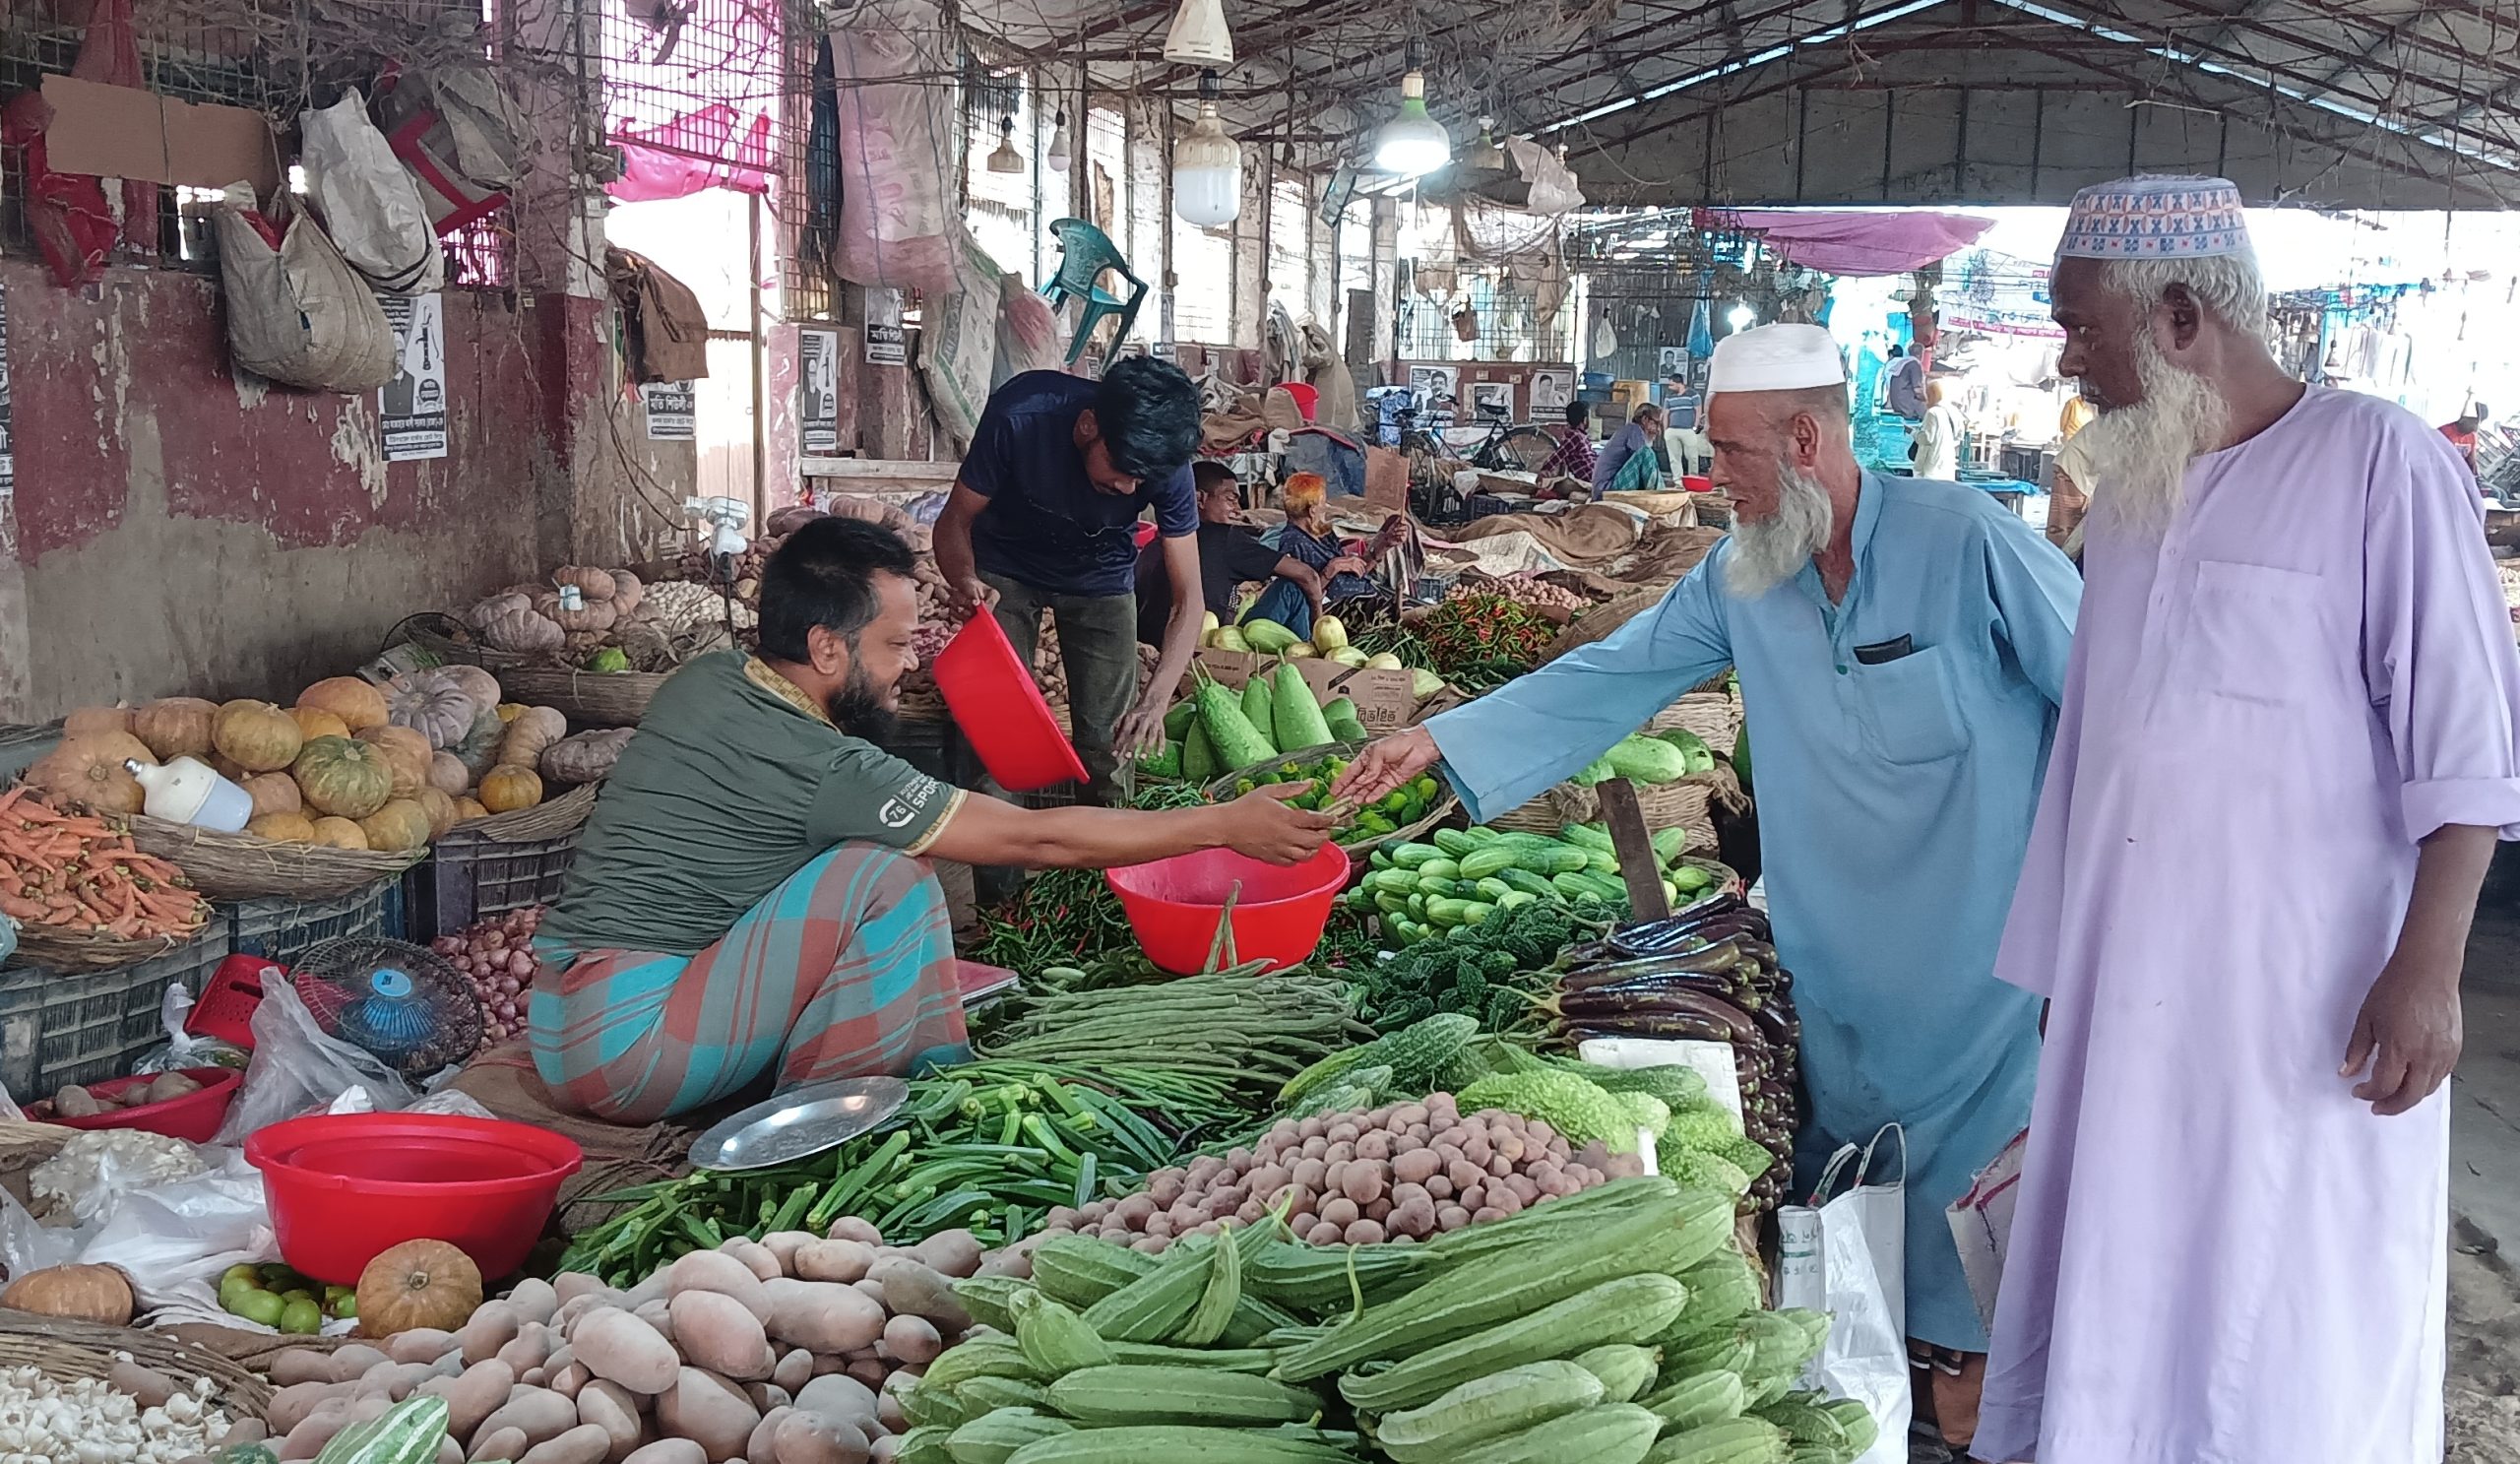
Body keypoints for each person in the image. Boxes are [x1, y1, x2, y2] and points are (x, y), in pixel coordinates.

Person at [1333, 323, 2082, 1454]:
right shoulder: (1745, 573)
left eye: (1729, 451)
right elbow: (1614, 674)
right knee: (1853, 1249)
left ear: (1804, 435)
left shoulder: (1969, 540)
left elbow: (2118, 709)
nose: (1709, 474)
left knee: (1985, 1285)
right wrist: (1440, 737)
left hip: (1987, 991)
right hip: (1829, 984)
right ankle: (1890, 1422)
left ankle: (1983, 1422)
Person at [1979, 176, 2520, 1464]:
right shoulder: (2130, 494)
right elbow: (2089, 756)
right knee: (2130, 1266)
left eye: (2080, 325)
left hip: (2307, 1001)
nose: (2068, 357)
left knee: (2288, 1301)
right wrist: (2067, 973)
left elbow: (2468, 744)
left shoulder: (2378, 459)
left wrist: (2429, 965)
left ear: (2175, 316)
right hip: (2134, 993)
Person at [533, 518, 1335, 1123]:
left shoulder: (707, 680)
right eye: (894, 644)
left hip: (560, 1016)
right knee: (889, 873)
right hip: (628, 1050)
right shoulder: (827, 766)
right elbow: (1033, 835)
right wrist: (1218, 824)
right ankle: (854, 1121)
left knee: (870, 859)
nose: (911, 663)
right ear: (826, 649)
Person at [933, 358, 1206, 798]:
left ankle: (1105, 861)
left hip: (1101, 575)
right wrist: (964, 578)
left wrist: (1155, 701)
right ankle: (1000, 859)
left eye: (1141, 480)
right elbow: (953, 522)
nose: (1128, 489)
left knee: (1111, 744)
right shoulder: (1020, 415)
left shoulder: (1163, 462)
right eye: (1119, 470)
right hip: (1005, 570)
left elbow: (1188, 599)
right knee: (995, 737)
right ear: (1087, 427)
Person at [1135, 462, 1330, 647]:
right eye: (1230, 500)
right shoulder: (1223, 537)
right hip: (1197, 650)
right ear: (1199, 499)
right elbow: (1308, 576)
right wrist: (1319, 623)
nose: (1238, 511)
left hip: (1151, 649)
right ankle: (1311, 656)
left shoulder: (1154, 544)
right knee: (1291, 589)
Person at [1250, 472, 1375, 639]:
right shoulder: (1294, 541)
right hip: (1340, 618)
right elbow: (1306, 590)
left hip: (1367, 597)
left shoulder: (1325, 534)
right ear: (1312, 510)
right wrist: (1331, 569)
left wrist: (1382, 544)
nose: (1326, 506)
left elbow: (1356, 571)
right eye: (1323, 502)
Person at [1592, 402, 1667, 494]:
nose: (1658, 430)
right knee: (1646, 453)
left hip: (1607, 486)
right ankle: (1659, 496)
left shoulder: (1630, 430)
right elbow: (1645, 459)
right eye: (1656, 423)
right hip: (1607, 488)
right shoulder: (1634, 430)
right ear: (1645, 419)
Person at [1912, 377, 1967, 479]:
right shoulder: (1954, 412)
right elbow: (1960, 436)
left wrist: (1913, 432)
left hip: (1931, 466)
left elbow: (1927, 439)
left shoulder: (1933, 413)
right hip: (1947, 463)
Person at [1535, 400, 1599, 482]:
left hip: (1597, 472)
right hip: (1592, 476)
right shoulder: (1575, 437)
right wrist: (1545, 470)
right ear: (1585, 419)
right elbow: (1558, 455)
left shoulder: (1580, 435)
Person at [2440, 400, 2488, 471]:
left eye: (2477, 423)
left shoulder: (2472, 437)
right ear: (2464, 419)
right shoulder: (2445, 431)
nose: (2474, 428)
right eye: (2474, 422)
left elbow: (2472, 460)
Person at [1884, 343, 1928, 419]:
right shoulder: (1914, 364)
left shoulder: (1903, 363)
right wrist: (1927, 400)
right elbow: (1918, 391)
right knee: (1930, 413)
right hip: (1906, 406)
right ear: (1921, 354)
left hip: (1896, 404)